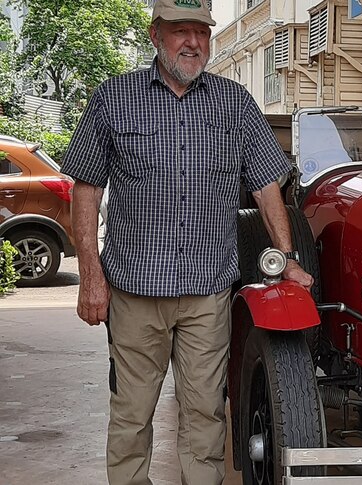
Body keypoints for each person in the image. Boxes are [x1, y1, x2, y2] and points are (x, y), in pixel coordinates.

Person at [61, 1, 313, 483]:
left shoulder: (235, 103)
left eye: (201, 31)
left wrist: (287, 255)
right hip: (135, 293)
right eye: (181, 31)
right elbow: (87, 190)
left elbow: (266, 186)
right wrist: (90, 277)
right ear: (156, 35)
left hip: (207, 296)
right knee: (132, 417)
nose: (193, 42)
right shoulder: (113, 98)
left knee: (205, 419)